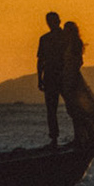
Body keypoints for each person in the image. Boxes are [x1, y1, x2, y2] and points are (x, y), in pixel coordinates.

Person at [37, 11, 69, 146]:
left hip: (64, 75)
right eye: (49, 21)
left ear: (58, 21)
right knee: (51, 109)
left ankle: (80, 134)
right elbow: (41, 60)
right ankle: (54, 138)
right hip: (50, 76)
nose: (50, 24)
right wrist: (40, 78)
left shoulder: (66, 37)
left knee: (72, 107)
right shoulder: (44, 39)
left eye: (53, 21)